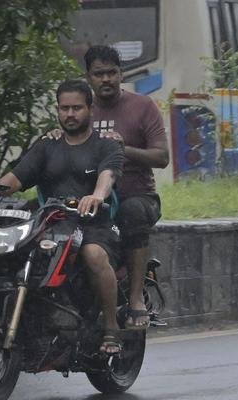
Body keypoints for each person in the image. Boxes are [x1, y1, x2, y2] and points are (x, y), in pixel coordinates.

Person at [0, 80, 125, 355]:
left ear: (90, 109)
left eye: (77, 108)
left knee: (93, 255)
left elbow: (107, 176)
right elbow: (18, 175)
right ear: (57, 110)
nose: (70, 114)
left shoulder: (106, 146)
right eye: (64, 108)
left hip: (93, 223)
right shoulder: (47, 145)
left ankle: (111, 328)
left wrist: (97, 196)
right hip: (51, 223)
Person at [83, 45, 170, 327]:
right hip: (90, 198)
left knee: (132, 212)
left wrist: (124, 149)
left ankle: (135, 298)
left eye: (111, 72)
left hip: (137, 195)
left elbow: (162, 157)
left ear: (121, 74)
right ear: (89, 78)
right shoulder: (81, 110)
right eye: (99, 74)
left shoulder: (143, 106)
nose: (106, 79)